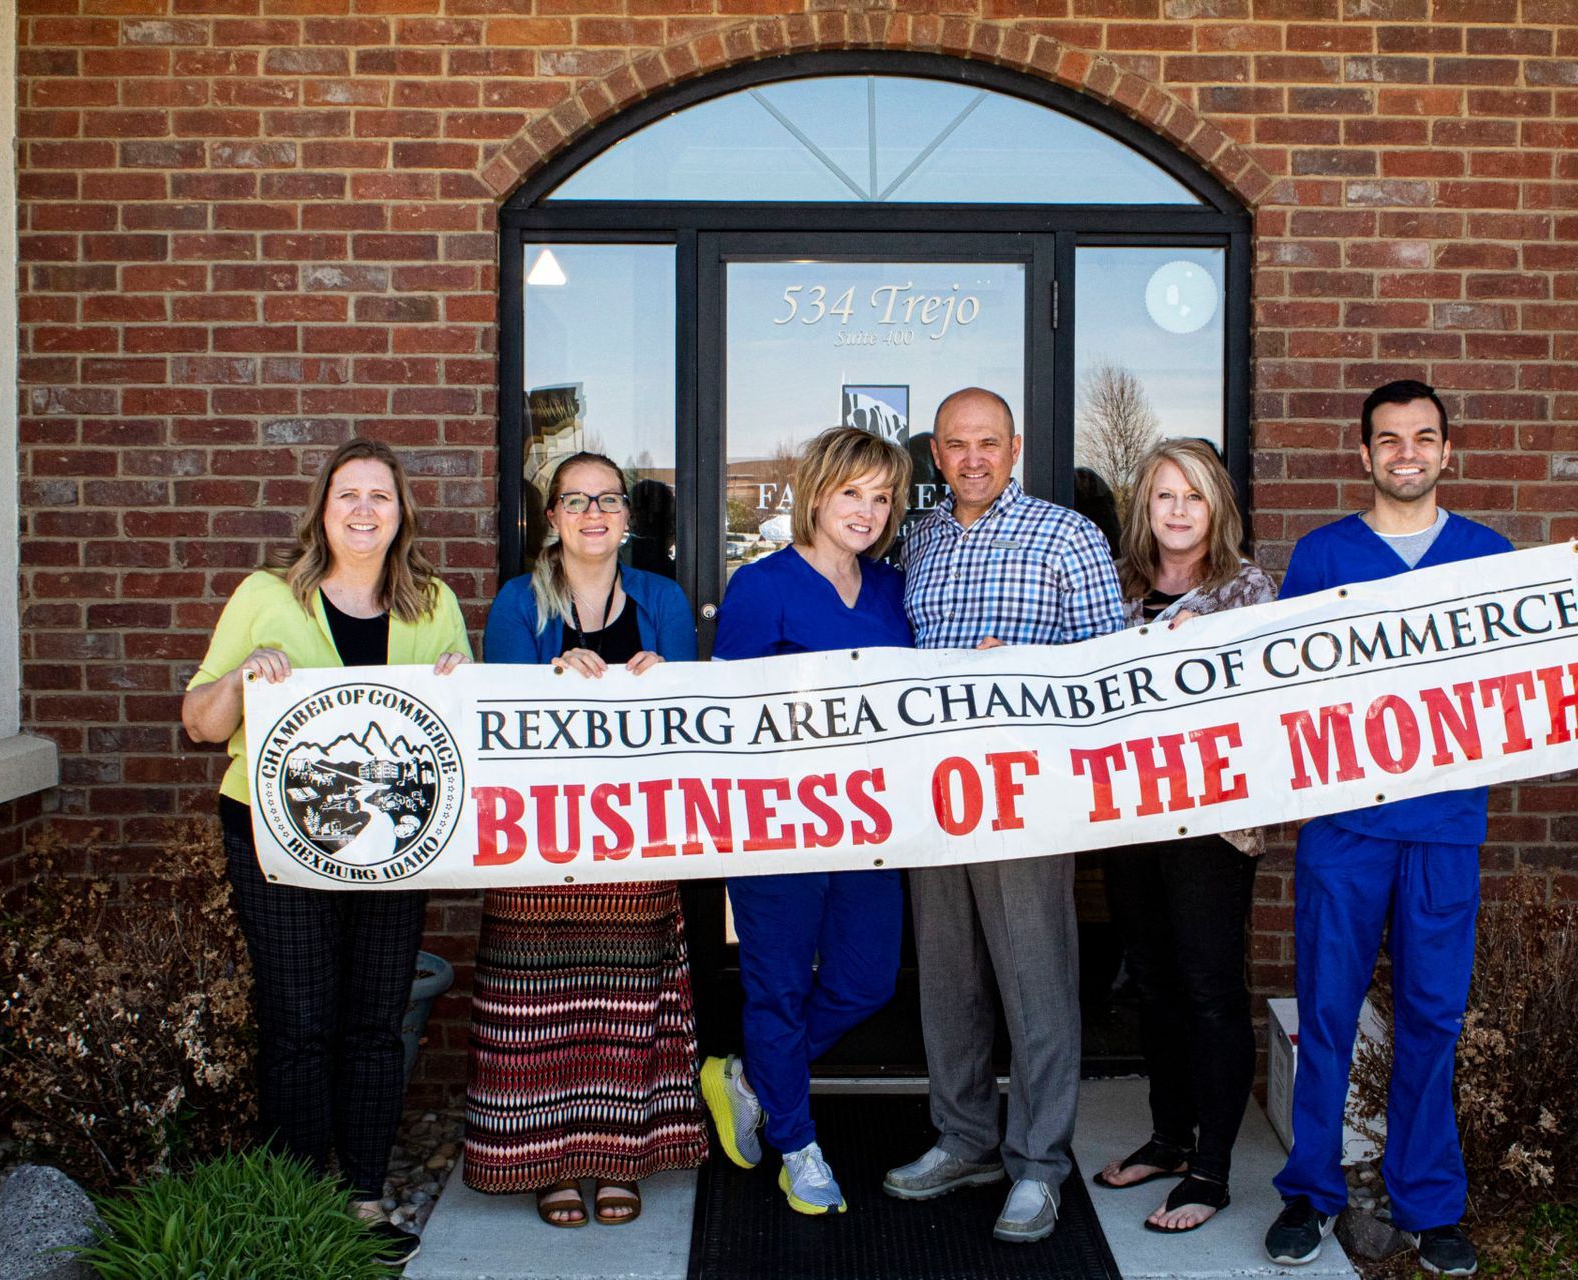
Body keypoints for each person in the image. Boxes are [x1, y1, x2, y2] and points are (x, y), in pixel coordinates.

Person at [1264, 380, 1578, 1275]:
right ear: (1366, 453)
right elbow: (1279, 691)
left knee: (1431, 1015)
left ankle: (1430, 1203)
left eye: (1424, 438)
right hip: (1344, 827)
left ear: (1447, 451)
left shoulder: (1490, 559)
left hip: (1447, 829)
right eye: (1389, 440)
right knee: (1329, 1013)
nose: (1406, 453)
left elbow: (1536, 681)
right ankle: (1311, 1191)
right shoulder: (1323, 554)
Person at [181, 438, 472, 1267]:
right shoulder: (265, 596)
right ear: (321, 507)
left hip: (396, 847)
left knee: (377, 1022)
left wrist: (463, 678)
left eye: (381, 496)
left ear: (402, 513)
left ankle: (366, 1199)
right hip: (275, 841)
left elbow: (457, 737)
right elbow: (199, 723)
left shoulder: (432, 603)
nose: (364, 510)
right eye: (349, 494)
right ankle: (299, 1200)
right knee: (299, 1024)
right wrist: (242, 678)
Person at [882, 387, 1127, 1244]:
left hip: (1027, 798)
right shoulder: (917, 540)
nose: (973, 457)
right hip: (933, 797)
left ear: (1015, 447)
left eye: (989, 442)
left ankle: (1038, 1165)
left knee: (1036, 981)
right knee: (948, 981)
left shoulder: (1069, 535)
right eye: (956, 444)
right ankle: (964, 1140)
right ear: (936, 455)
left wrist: (1024, 666)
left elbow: (1110, 663)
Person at [463, 452, 707, 1227]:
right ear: (553, 518)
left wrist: (663, 676)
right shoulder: (516, 604)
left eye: (608, 499)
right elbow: (501, 719)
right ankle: (549, 1164)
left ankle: (616, 1160)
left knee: (624, 1006)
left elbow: (693, 717)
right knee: (538, 1009)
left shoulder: (663, 599)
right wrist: (549, 677)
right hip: (537, 845)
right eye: (576, 499)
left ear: (628, 516)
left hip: (636, 842)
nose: (593, 512)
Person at [702, 425, 916, 1217]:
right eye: (852, 491)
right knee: (780, 989)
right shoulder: (764, 588)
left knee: (864, 982)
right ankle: (798, 1146)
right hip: (778, 823)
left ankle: (751, 1079)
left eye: (883, 495)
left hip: (871, 822)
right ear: (816, 494)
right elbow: (728, 718)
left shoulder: (892, 589)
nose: (867, 510)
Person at [1094, 439, 1274, 1233]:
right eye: (1163, 495)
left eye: (1192, 496)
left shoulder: (1247, 586)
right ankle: (1169, 1139)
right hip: (1128, 816)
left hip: (1213, 822)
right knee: (1156, 986)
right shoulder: (1120, 585)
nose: (1176, 510)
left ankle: (1212, 1171)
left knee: (1208, 990)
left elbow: (1266, 695)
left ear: (1216, 508)